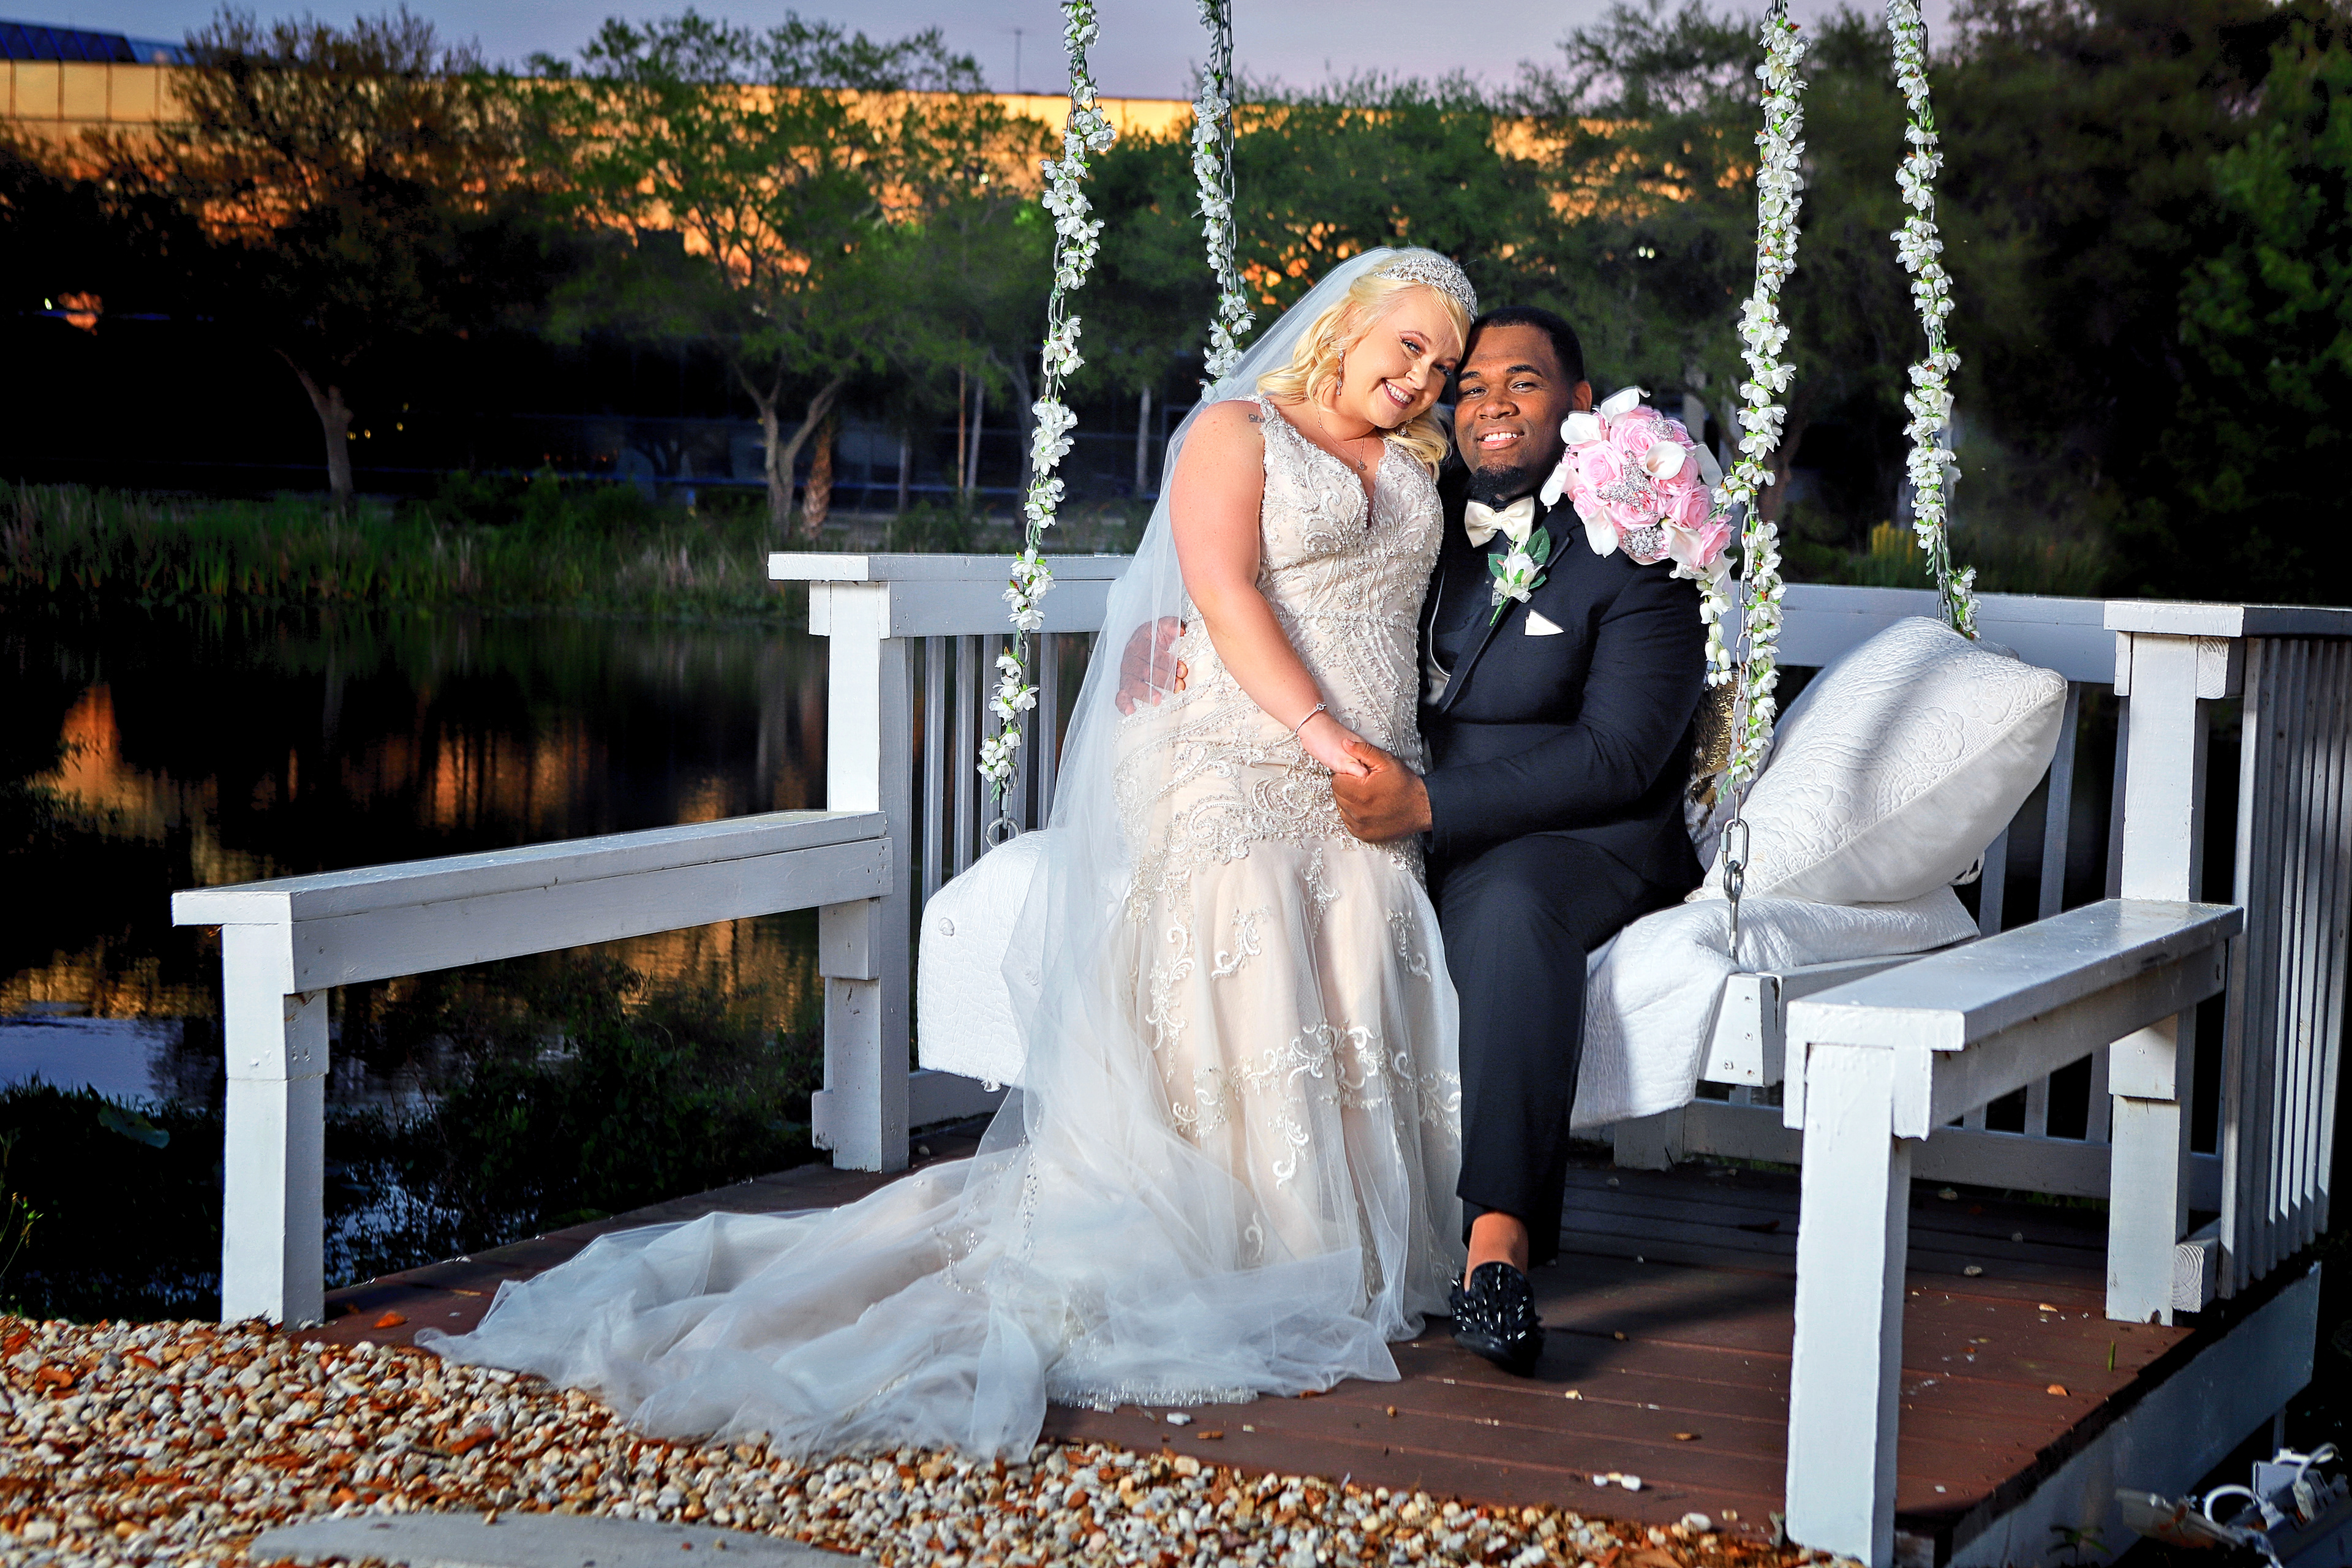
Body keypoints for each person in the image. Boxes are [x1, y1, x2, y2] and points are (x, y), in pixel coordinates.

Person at [420, 249, 1478, 1460]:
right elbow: (1224, 593)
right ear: (1346, 322)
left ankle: (1339, 1245)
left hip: (1373, 772)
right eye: (1407, 343)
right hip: (1241, 745)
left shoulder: (1421, 465)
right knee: (1249, 919)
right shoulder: (1238, 432)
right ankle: (1255, 1248)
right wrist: (1322, 733)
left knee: (1363, 934)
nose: (1422, 376)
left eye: (1443, 364)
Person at [1331, 307, 1709, 1374]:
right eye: (1473, 385)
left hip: (1582, 834)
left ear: (1580, 404)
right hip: (1422, 815)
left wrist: (1429, 807)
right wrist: (1181, 632)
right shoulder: (1420, 518)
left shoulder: (1638, 540)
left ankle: (1496, 1248)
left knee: (1509, 909)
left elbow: (1620, 754)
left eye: (1524, 381)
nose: (1491, 401)